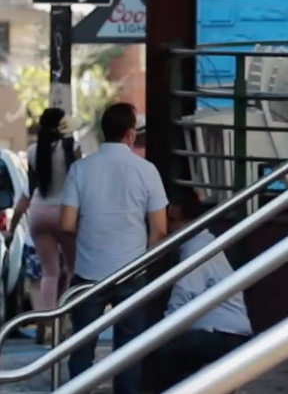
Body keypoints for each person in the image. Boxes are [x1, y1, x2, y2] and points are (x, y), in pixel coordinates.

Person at [61, 103, 168, 394]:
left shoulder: (80, 169)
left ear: (103, 131)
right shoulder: (147, 171)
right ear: (131, 135)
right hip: (132, 271)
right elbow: (160, 228)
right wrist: (144, 259)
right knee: (129, 349)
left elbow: (67, 224)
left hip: (88, 272)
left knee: (81, 348)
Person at [157, 192, 253, 389]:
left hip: (222, 335)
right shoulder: (206, 243)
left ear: (187, 222)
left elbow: (184, 293)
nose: (169, 228)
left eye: (172, 221)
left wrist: (162, 330)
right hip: (230, 333)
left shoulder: (195, 249)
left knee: (170, 351)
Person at [5, 109, 79, 329]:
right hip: (65, 213)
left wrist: (14, 225)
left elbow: (29, 189)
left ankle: (50, 325)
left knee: (50, 272)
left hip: (39, 213)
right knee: (74, 268)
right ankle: (69, 319)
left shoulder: (33, 151)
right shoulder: (72, 149)